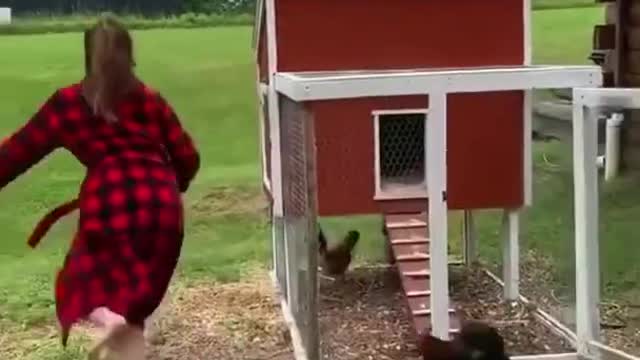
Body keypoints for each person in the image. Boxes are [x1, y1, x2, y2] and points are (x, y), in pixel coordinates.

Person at [0, 15, 200, 358]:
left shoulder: (67, 104)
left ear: (87, 56)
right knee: (134, 305)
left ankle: (108, 319)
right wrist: (171, 188)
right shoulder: (151, 100)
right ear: (130, 54)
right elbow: (188, 157)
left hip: (110, 206)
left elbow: (17, 152)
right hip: (164, 209)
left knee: (80, 287)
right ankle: (120, 329)